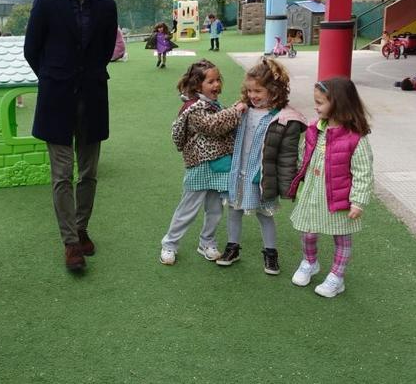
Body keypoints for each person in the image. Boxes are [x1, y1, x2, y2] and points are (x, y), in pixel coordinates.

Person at [24, 0, 118, 272]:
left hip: (92, 97)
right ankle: (70, 242)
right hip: (56, 98)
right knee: (62, 174)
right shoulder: (46, 3)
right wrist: (55, 78)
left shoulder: (107, 6)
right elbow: (31, 50)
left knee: (89, 172)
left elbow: (105, 49)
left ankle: (82, 227)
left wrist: (84, 77)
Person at [217, 58, 306, 274]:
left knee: (265, 214)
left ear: (274, 91)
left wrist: (286, 184)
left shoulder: (283, 118)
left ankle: (271, 253)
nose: (253, 96)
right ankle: (232, 247)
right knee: (234, 210)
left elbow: (287, 155)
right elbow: (222, 128)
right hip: (239, 171)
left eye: (258, 91)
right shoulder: (243, 110)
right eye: (249, 91)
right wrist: (236, 110)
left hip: (262, 175)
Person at [286, 77, 374, 298]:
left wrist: (358, 201)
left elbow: (363, 172)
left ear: (339, 104)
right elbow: (303, 155)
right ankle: (309, 262)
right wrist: (298, 175)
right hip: (313, 191)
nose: (316, 106)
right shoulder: (314, 129)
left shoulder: (356, 139)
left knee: (341, 237)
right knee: (307, 231)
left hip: (339, 196)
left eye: (320, 102)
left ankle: (336, 277)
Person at [159, 59, 246, 265]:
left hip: (220, 166)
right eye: (211, 81)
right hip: (199, 166)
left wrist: (234, 110)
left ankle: (207, 242)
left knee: (215, 210)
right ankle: (169, 244)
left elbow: (224, 125)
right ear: (198, 85)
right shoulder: (194, 109)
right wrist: (236, 110)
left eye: (218, 80)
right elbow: (213, 126)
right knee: (187, 209)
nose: (216, 85)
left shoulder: (215, 105)